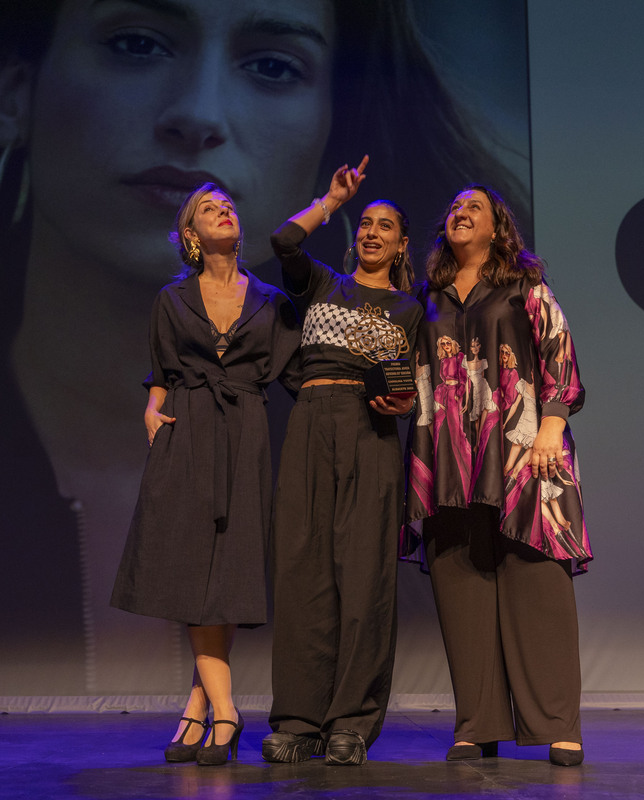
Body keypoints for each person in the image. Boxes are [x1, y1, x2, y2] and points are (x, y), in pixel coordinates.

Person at [0, 0, 532, 697]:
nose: (197, 114)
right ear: (14, 93)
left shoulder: (401, 471)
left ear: (329, 143)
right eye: (137, 43)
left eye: (272, 65)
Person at [110, 184, 300, 765]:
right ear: (191, 234)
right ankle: (226, 712)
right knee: (194, 570)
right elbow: (162, 366)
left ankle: (199, 706)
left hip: (245, 433)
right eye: (209, 208)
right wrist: (151, 404)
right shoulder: (172, 297)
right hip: (187, 429)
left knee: (230, 572)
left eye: (230, 206)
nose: (225, 211)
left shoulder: (270, 301)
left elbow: (296, 370)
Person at [403, 186, 592, 766]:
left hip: (524, 449)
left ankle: (557, 723)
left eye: (474, 207)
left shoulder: (524, 288)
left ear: (498, 228)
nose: (459, 212)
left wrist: (554, 424)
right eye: (453, 207)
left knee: (537, 583)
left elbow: (559, 350)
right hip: (447, 458)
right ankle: (476, 723)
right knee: (460, 585)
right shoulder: (427, 297)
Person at [262, 157, 422, 766]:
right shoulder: (325, 284)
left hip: (370, 432)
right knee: (303, 573)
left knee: (364, 579)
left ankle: (351, 722)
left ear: (402, 244)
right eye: (366, 223)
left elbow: (413, 391)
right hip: (310, 425)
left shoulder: (412, 310)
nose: (372, 232)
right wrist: (330, 202)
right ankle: (299, 719)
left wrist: (403, 402)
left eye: (386, 226)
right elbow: (284, 240)